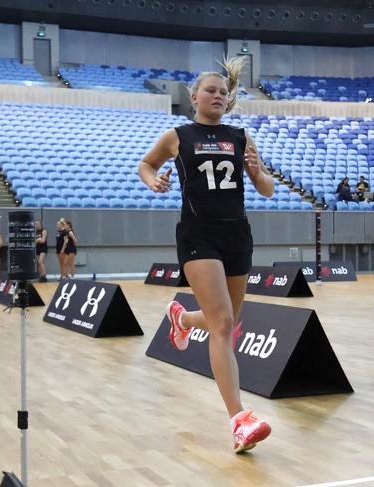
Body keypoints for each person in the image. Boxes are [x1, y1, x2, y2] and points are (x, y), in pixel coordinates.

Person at [138, 56, 273, 453]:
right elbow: (146, 164)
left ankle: (181, 319)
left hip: (238, 235)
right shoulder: (177, 135)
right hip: (199, 237)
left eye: (222, 92)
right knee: (223, 323)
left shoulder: (242, 137)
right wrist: (153, 181)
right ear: (194, 96)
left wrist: (256, 172)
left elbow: (266, 189)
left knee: (225, 322)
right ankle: (239, 419)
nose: (217, 96)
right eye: (209, 91)